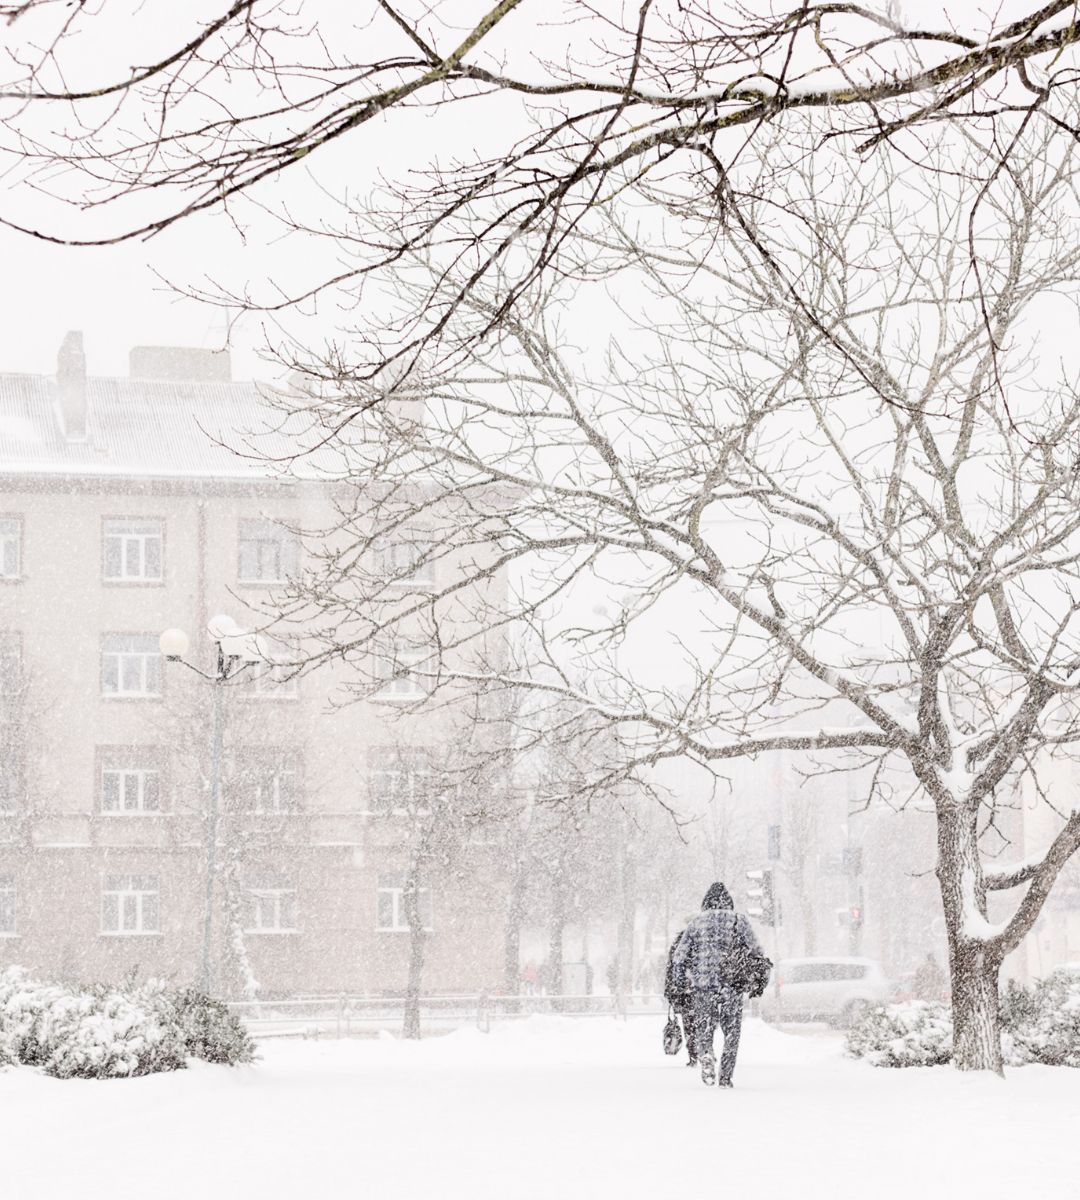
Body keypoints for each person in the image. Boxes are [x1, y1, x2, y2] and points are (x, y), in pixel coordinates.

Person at [671, 881, 765, 1089]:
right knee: (732, 1033)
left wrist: (679, 984)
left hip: (703, 987)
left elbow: (679, 957)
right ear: (728, 901)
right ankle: (725, 1076)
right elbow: (757, 951)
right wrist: (755, 976)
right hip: (732, 985)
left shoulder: (696, 923)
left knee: (704, 1028)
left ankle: (705, 1054)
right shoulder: (739, 921)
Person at [664, 920, 698, 1066]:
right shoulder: (703, 942)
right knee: (703, 1022)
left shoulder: (678, 943)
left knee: (689, 1023)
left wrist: (670, 990)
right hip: (700, 989)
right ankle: (704, 1050)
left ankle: (693, 1054)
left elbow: (671, 968)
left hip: (684, 991)